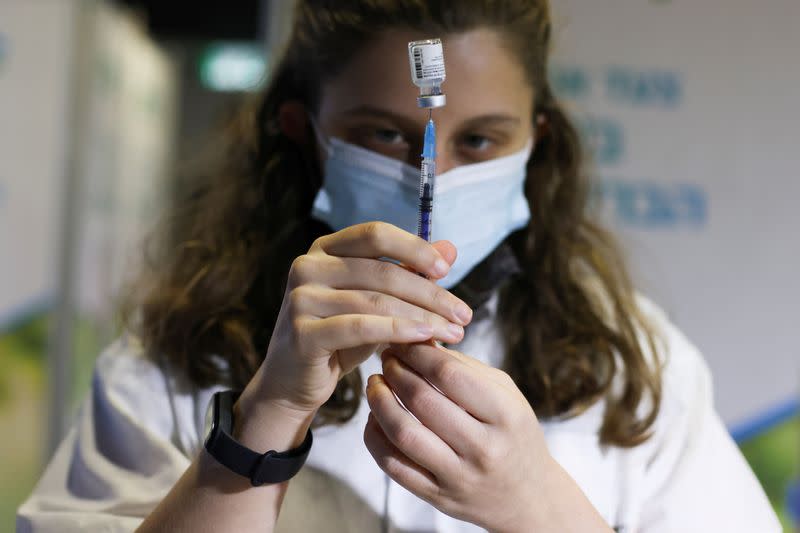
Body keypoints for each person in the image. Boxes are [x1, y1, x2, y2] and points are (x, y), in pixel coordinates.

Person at [18, 1, 780, 531]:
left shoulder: (632, 367)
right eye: (385, 136)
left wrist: (539, 508)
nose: (432, 181)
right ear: (302, 130)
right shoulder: (181, 356)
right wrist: (262, 422)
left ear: (537, 141)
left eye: (480, 142)